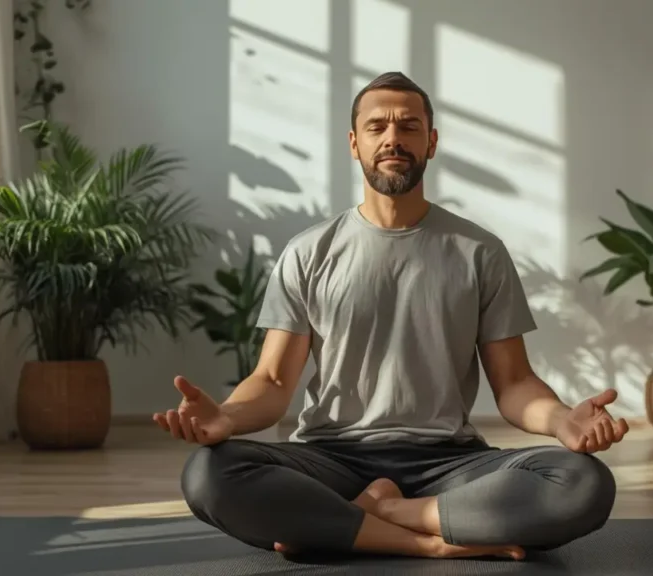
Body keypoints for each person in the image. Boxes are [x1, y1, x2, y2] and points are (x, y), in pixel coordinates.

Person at [154, 71, 628, 561]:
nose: (393, 139)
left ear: (432, 141)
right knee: (207, 474)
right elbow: (273, 383)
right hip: (330, 458)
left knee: (582, 482)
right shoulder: (308, 252)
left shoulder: (480, 252)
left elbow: (514, 384)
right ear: (354, 143)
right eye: (378, 127)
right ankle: (431, 543)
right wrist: (225, 419)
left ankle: (376, 517)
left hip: (449, 462)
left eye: (409, 126)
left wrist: (561, 419)